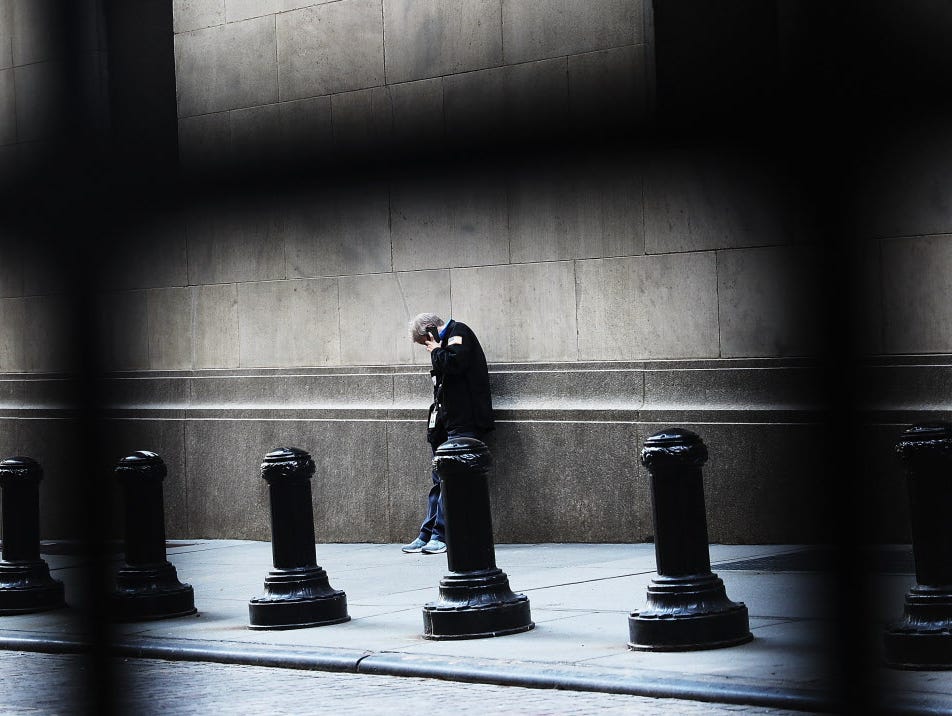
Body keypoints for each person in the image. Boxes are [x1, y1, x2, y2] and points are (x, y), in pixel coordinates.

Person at [402, 313, 494, 554]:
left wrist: (435, 350)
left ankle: (441, 535)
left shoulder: (459, 333)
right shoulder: (444, 343)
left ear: (431, 330)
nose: (426, 347)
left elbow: (455, 364)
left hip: (464, 420)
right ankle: (427, 532)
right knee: (438, 478)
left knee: (451, 479)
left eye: (424, 341)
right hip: (445, 420)